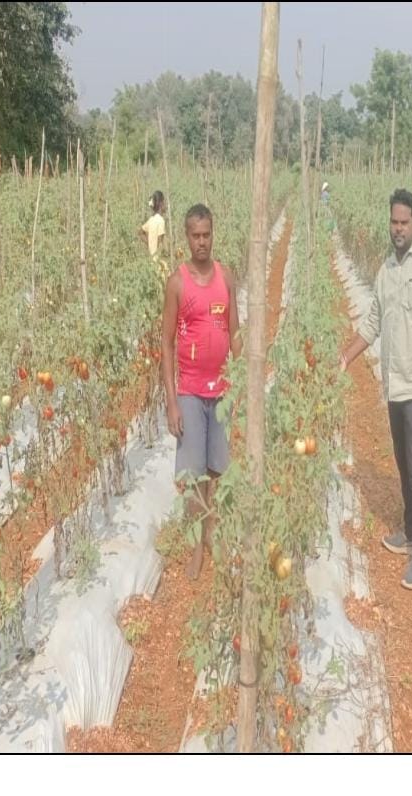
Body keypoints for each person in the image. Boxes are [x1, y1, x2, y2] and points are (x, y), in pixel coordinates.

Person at [338, 189, 412, 591]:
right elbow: (372, 323)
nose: (398, 229)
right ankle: (409, 529)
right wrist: (346, 356)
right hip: (394, 384)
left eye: (404, 223)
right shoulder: (385, 270)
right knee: (402, 461)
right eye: (393, 222)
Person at [161, 203, 242, 580]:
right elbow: (165, 344)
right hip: (191, 390)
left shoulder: (227, 277)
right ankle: (197, 546)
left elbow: (234, 331)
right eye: (195, 236)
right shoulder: (177, 283)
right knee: (194, 476)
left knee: (217, 469)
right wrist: (171, 402)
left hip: (222, 389)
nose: (202, 242)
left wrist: (241, 381)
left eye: (207, 235)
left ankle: (213, 533)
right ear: (186, 237)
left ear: (214, 234)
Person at [140, 191, 167, 257]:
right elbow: (160, 243)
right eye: (164, 202)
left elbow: (140, 232)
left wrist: (149, 244)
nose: (165, 205)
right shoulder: (161, 220)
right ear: (161, 204)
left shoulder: (151, 220)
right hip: (157, 260)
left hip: (150, 258)